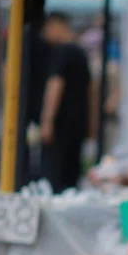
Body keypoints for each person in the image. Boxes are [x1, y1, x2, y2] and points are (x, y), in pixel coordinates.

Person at [39, 13, 92, 192]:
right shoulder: (80, 52)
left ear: (57, 25)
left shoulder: (61, 52)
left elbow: (55, 85)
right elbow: (91, 89)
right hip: (77, 123)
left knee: (55, 178)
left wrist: (47, 121)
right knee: (71, 178)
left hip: (61, 125)